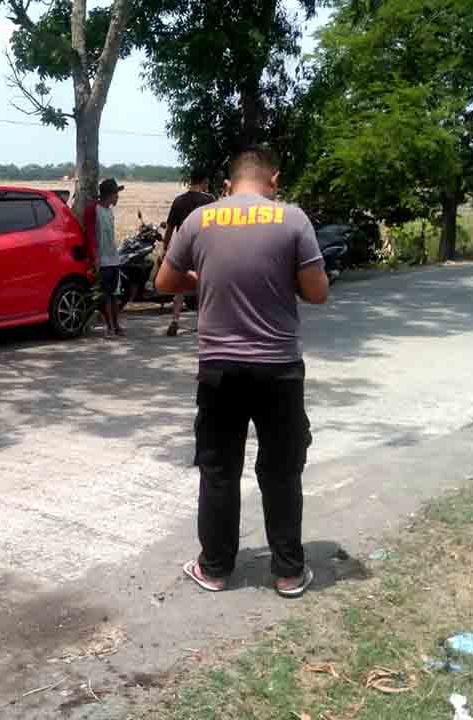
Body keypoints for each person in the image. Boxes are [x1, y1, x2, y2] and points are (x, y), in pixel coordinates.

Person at [156, 146, 329, 599]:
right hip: (279, 370)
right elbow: (317, 292)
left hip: (219, 369)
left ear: (229, 185)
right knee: (281, 470)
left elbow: (164, 283)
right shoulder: (292, 220)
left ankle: (214, 569)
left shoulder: (199, 221)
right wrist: (281, 276)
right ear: (274, 180)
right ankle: (289, 572)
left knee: (218, 469)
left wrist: (204, 277)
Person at [160, 171, 216, 337]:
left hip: (182, 247)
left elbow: (169, 229)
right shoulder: (209, 200)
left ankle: (175, 321)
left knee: (180, 286)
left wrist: (165, 248)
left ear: (190, 181)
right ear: (204, 181)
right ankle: (202, 322)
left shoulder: (179, 201)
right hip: (202, 247)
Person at [83, 178, 127, 336]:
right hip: (102, 260)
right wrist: (95, 257)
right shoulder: (93, 210)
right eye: (116, 194)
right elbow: (90, 235)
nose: (118, 198)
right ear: (110, 194)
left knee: (115, 295)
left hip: (113, 258)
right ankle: (109, 327)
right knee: (107, 296)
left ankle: (116, 325)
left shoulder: (109, 211)